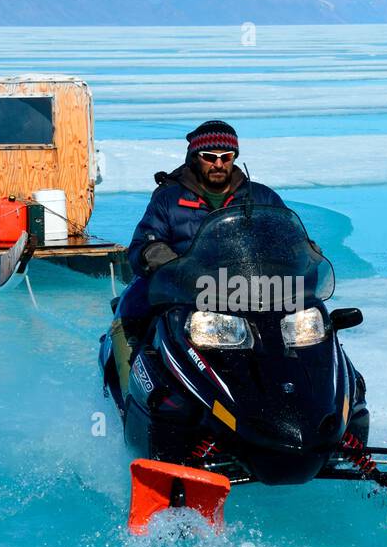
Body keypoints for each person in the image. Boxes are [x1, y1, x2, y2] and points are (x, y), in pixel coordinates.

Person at [110, 120, 286, 375]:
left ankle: (339, 387)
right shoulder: (169, 200)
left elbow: (283, 236)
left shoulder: (261, 197)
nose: (218, 164)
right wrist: (168, 262)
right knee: (134, 313)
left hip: (249, 289)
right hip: (185, 290)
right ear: (195, 157)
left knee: (307, 329)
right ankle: (133, 379)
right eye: (209, 157)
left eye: (226, 156)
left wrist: (303, 253)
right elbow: (144, 243)